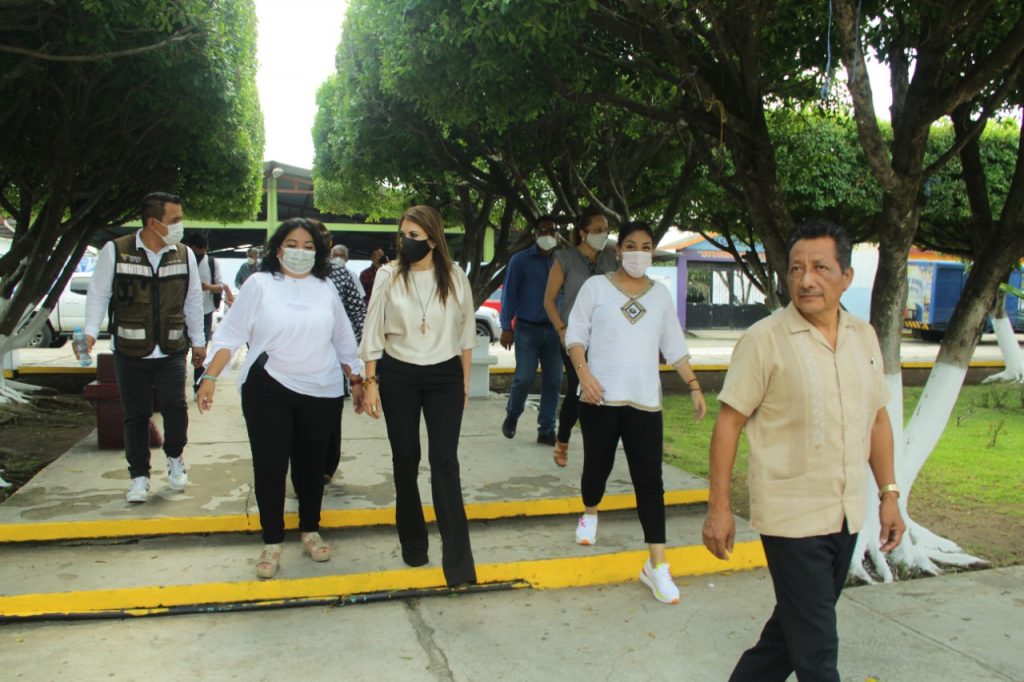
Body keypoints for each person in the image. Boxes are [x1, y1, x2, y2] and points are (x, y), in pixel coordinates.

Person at [701, 220, 906, 680]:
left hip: (846, 512)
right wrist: (719, 507)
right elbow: (729, 423)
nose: (806, 279)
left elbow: (877, 418)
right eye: (796, 269)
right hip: (791, 517)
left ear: (846, 276)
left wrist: (889, 493)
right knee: (817, 649)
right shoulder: (764, 339)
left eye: (819, 267)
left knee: (787, 638)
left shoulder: (864, 337)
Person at [195, 218, 363, 579]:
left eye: (308, 246)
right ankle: (271, 541)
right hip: (268, 387)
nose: (299, 252)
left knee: (311, 465)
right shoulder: (259, 284)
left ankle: (310, 529)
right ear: (277, 247)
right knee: (270, 465)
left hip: (321, 389)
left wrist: (359, 380)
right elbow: (230, 334)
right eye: (292, 243)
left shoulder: (326, 289)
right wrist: (209, 376)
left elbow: (344, 341)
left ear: (318, 252)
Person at [566, 220, 707, 604]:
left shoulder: (660, 296)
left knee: (650, 482)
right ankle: (590, 512)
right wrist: (585, 374)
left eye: (646, 247)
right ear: (618, 250)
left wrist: (694, 386)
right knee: (597, 467)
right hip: (600, 397)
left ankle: (657, 566)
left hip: (645, 400)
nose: (638, 253)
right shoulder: (595, 288)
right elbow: (575, 335)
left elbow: (675, 346)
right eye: (631, 245)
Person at [359, 205, 477, 588]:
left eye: (414, 236)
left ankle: (458, 566)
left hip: (444, 375)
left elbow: (466, 334)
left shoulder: (456, 276)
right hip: (398, 374)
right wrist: (371, 380)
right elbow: (373, 327)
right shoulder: (389, 275)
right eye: (402, 235)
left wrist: (463, 383)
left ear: (432, 238)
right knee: (405, 459)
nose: (406, 242)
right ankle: (414, 544)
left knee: (445, 462)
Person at [81, 192, 206, 503]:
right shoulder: (117, 251)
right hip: (130, 349)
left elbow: (192, 300)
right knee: (136, 415)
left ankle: (175, 458)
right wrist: (90, 332)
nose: (180, 226)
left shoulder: (184, 254)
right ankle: (139, 477)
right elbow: (98, 294)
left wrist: (200, 341)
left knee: (175, 406)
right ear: (154, 222)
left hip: (172, 348)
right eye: (175, 220)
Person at [543, 207, 618, 466]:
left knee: (599, 391)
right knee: (579, 387)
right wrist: (561, 330)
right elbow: (549, 301)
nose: (603, 234)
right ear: (583, 233)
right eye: (597, 230)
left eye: (606, 230)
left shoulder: (611, 259)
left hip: (605, 337)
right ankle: (562, 439)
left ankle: (596, 443)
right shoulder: (564, 259)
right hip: (573, 337)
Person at [499, 215, 563, 446]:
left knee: (554, 380)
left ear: (558, 235)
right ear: (535, 234)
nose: (548, 235)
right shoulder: (520, 261)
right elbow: (509, 295)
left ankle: (546, 429)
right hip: (526, 329)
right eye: (543, 231)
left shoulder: (562, 261)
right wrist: (506, 327)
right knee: (524, 377)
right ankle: (512, 415)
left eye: (552, 231)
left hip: (555, 331)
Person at [315, 222, 367, 483]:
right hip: (295, 361)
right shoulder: (288, 274)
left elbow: (358, 311)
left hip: (335, 361)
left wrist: (358, 345)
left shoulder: (343, 275)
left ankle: (326, 466)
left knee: (330, 416)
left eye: (324, 238)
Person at [183, 233, 233, 389]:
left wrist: (207, 287)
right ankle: (179, 376)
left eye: (203, 251)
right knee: (181, 348)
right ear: (191, 248)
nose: (201, 254)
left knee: (201, 348)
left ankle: (198, 383)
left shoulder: (211, 263)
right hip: (181, 312)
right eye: (198, 251)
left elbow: (220, 286)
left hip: (205, 311)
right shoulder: (182, 260)